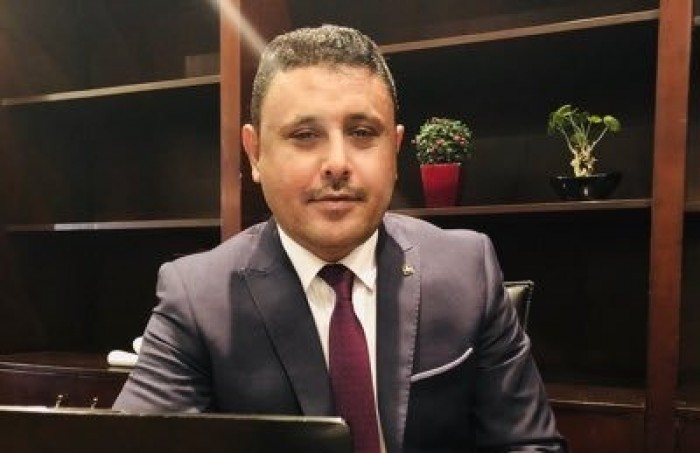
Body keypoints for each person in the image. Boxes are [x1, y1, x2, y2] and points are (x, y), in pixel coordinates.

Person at [114, 24, 566, 452]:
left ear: (394, 150)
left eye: (362, 133)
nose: (337, 163)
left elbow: (528, 443)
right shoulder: (197, 296)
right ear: (255, 153)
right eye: (305, 135)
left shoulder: (468, 268)